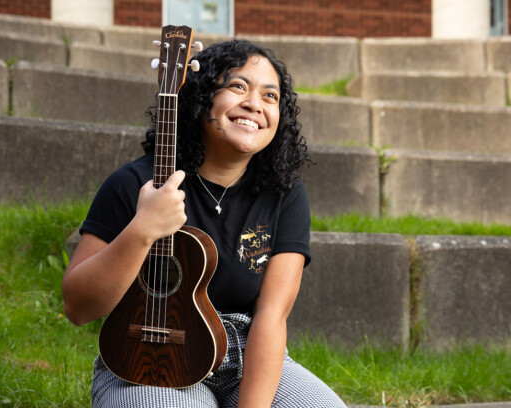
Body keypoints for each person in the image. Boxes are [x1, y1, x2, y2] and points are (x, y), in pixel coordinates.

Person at [62, 39, 347, 408]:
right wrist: (142, 229)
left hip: (244, 355)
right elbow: (78, 308)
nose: (254, 104)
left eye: (270, 96)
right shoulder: (135, 183)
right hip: (149, 357)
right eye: (237, 86)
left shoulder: (283, 195)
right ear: (201, 97)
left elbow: (272, 316)